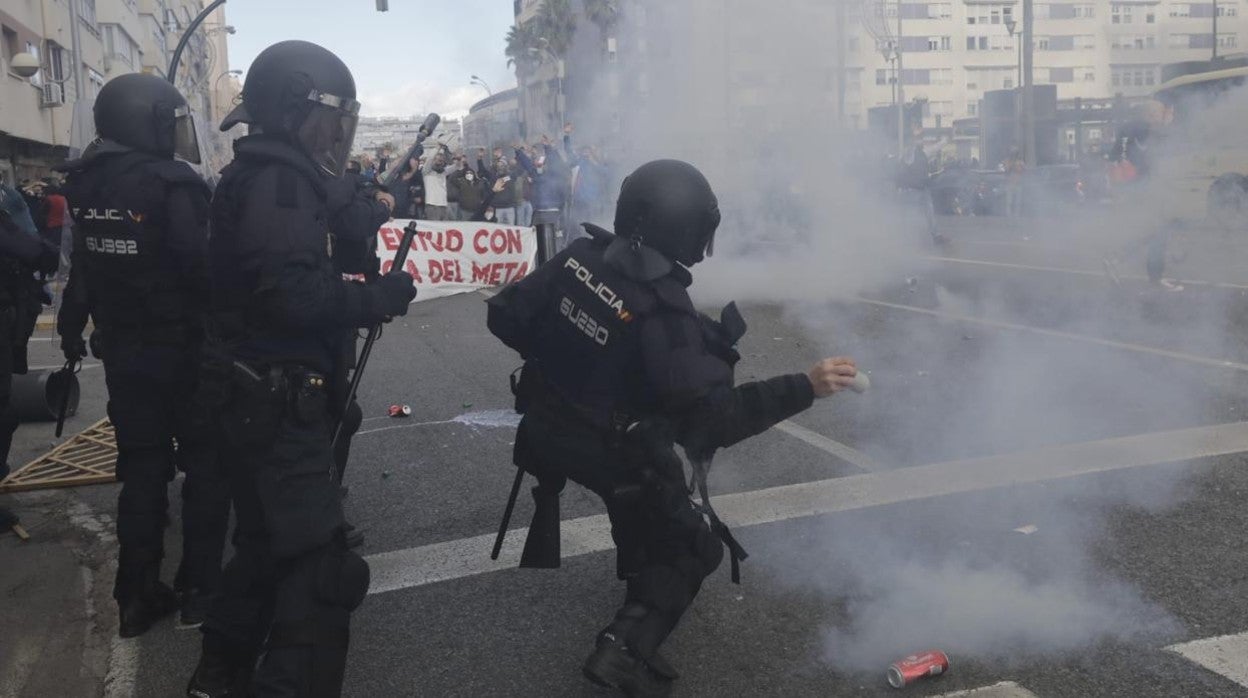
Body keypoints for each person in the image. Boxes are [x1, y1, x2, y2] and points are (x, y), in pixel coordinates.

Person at [486, 160, 860, 697]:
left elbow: (507, 317)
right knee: (693, 546)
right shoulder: (664, 312)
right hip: (611, 449)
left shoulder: (579, 257)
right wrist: (805, 385)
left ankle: (639, 593)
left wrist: (574, 359)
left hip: (547, 429)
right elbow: (713, 420)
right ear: (685, 229)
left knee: (644, 509)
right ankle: (622, 650)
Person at [185, 40, 416, 698]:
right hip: (275, 404)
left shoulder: (275, 174)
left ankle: (219, 669)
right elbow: (293, 296)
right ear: (297, 112)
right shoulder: (280, 183)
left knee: (262, 544)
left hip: (249, 397)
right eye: (333, 119)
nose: (339, 134)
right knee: (321, 574)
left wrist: (376, 204)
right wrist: (378, 298)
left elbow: (334, 222)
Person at [56, 72, 231, 635]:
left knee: (143, 469)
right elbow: (202, 270)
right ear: (147, 122)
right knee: (206, 465)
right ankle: (200, 590)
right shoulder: (172, 183)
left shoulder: (84, 183)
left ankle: (134, 596)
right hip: (185, 349)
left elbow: (82, 265)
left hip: (125, 352)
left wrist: (69, 326)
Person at [515, 131, 571, 262]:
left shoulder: (555, 175)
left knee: (556, 241)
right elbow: (527, 164)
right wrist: (518, 151)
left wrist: (547, 147)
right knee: (535, 241)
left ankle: (557, 263)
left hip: (554, 213)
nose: (539, 166)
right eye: (538, 165)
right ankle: (537, 263)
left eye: (542, 164)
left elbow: (554, 160)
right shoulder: (535, 174)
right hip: (539, 214)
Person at [422, 145, 451, 221]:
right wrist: (437, 148)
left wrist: (449, 151)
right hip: (432, 204)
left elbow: (456, 166)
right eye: (437, 159)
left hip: (444, 204)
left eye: (441, 160)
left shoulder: (443, 172)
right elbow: (429, 159)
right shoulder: (426, 171)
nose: (439, 161)